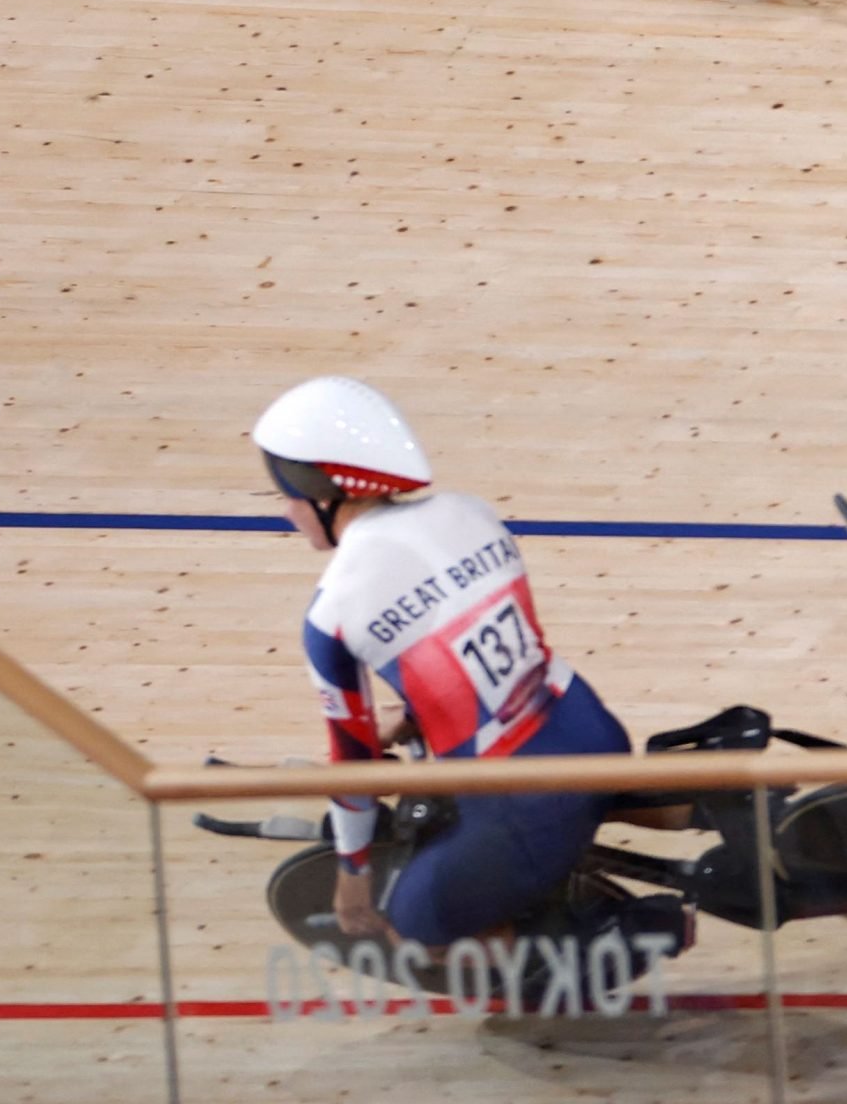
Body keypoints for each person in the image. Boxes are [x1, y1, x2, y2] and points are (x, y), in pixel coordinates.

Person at [257, 374, 685, 959]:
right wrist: (414, 714)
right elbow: (482, 642)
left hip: (520, 799)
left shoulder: (331, 612)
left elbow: (352, 774)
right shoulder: (469, 512)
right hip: (590, 725)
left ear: (322, 490)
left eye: (285, 492)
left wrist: (352, 883)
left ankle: (636, 933)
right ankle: (739, 817)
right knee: (594, 790)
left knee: (417, 933)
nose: (285, 510)